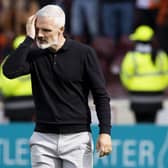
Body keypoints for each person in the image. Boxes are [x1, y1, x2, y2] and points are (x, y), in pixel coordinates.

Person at [2, 4, 112, 168]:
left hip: (77, 139)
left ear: (61, 29)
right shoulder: (35, 54)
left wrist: (105, 132)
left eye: (46, 30)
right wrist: (28, 39)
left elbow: (100, 95)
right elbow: (9, 71)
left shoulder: (84, 53)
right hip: (43, 138)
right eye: (37, 29)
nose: (40, 34)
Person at [120, 25, 168, 123]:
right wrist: (159, 86)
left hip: (137, 97)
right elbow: (166, 75)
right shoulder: (161, 56)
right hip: (156, 97)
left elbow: (124, 76)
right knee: (152, 124)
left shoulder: (131, 56)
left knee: (140, 125)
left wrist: (132, 86)